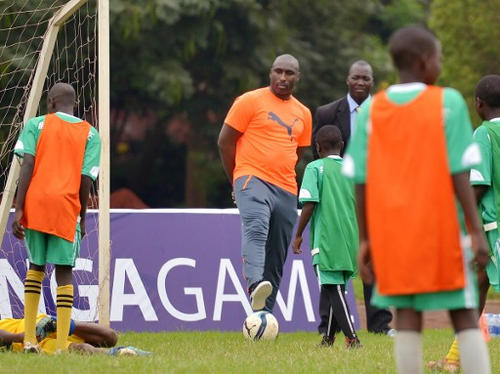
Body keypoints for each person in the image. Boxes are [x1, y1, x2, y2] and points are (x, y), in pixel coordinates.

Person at [343, 25, 491, 374]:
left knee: (407, 316)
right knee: (464, 313)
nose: (440, 63)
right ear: (426, 62)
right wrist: (475, 229)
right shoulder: (448, 102)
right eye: (439, 57)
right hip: (441, 230)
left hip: (393, 235)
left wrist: (365, 238)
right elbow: (460, 174)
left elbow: (360, 180)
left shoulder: (372, 111)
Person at [218, 54, 312, 312]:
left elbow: (297, 153)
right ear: (270, 73)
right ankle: (255, 284)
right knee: (257, 227)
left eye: (289, 73)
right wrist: (236, 180)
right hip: (251, 177)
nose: (283, 78)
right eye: (278, 71)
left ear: (297, 78)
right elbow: (224, 142)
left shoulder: (303, 113)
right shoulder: (249, 101)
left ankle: (263, 315)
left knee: (278, 250)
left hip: (286, 188)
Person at [12, 82, 101, 353]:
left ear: (50, 102)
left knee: (35, 266)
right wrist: (82, 216)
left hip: (37, 203)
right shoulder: (90, 134)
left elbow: (26, 164)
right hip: (65, 207)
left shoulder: (36, 125)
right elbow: (86, 179)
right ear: (73, 103)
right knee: (64, 272)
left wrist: (20, 207)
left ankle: (29, 339)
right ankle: (61, 346)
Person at [314, 60, 393, 336]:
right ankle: (329, 327)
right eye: (356, 78)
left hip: (376, 195)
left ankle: (380, 324)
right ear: (347, 80)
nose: (361, 82)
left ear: (372, 82)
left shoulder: (385, 113)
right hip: (339, 198)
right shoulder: (326, 113)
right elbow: (318, 157)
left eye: (366, 78)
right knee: (334, 260)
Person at [429, 74, 500, 373]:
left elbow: (479, 184)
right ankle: (454, 360)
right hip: (489, 230)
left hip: (494, 227)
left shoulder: (484, 134)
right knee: (476, 288)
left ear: (478, 104)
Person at [292, 125, 360, 348]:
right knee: (335, 288)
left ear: (317, 147)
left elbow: (310, 203)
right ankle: (328, 339)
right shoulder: (353, 169)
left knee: (332, 288)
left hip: (327, 239)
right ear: (341, 146)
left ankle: (352, 338)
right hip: (350, 239)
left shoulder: (315, 168)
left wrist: (299, 234)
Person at [0, 314, 150, 356]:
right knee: (109, 337)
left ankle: (57, 323)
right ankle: (120, 352)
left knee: (111, 337)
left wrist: (22, 337)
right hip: (32, 333)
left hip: (25, 338)